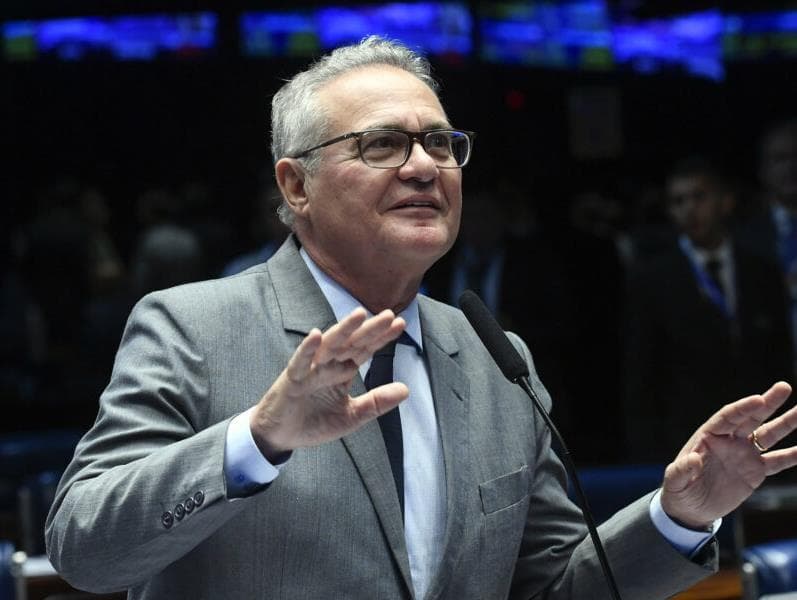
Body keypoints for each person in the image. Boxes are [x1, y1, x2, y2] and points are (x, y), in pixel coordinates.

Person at [46, 37, 797, 600]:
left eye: (439, 142)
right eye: (381, 144)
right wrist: (258, 438)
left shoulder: (495, 356)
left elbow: (555, 588)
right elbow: (84, 549)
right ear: (295, 185)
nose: (423, 165)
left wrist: (677, 516)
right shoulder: (193, 329)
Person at [623, 157, 793, 463]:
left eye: (699, 197)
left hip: (759, 435)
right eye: (678, 201)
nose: (689, 209)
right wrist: (650, 451)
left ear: (725, 202)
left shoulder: (762, 271)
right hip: (687, 444)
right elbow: (641, 371)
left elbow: (780, 357)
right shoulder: (652, 279)